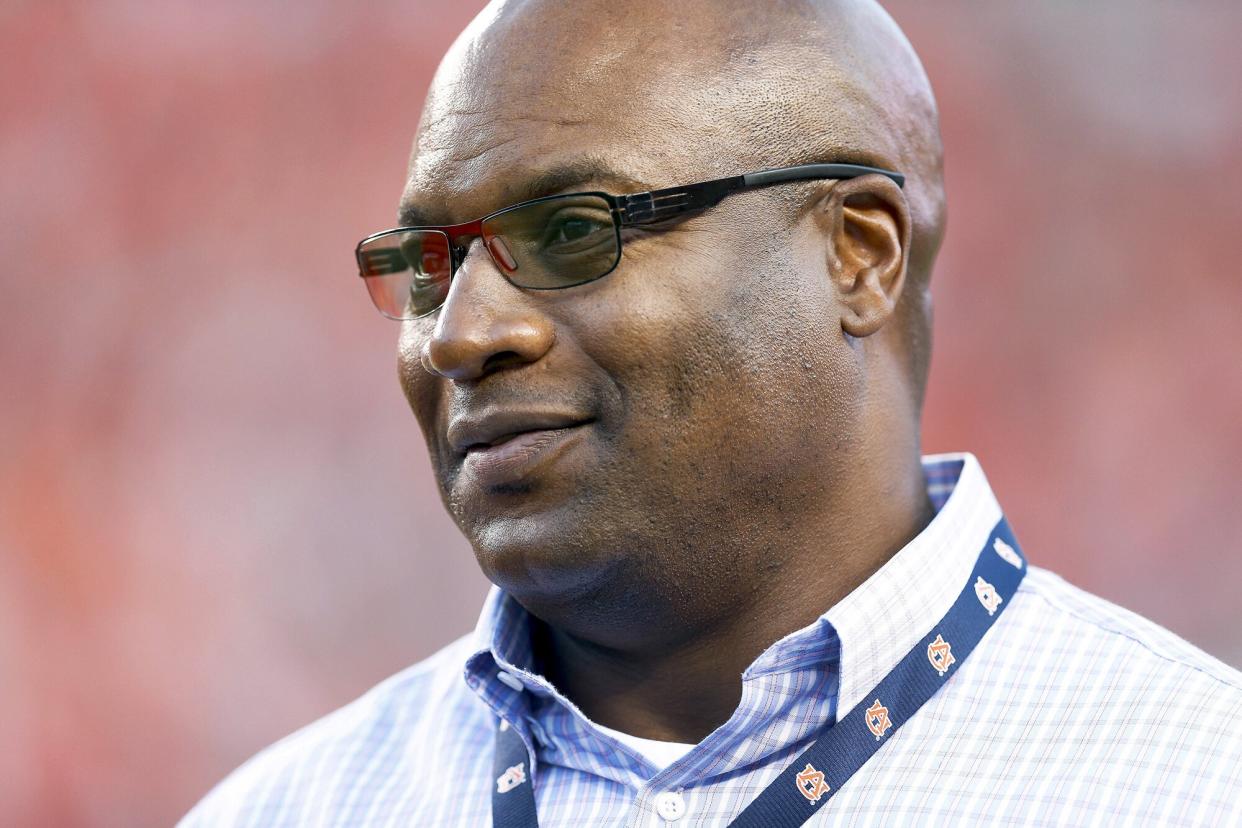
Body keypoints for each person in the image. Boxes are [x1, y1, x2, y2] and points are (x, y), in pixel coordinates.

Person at [180, 0, 1242, 824]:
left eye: (571, 230)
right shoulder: (285, 812)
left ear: (858, 255)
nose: (459, 335)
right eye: (425, 267)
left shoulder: (1193, 783)